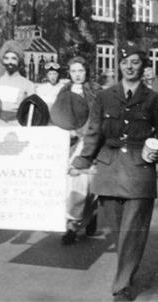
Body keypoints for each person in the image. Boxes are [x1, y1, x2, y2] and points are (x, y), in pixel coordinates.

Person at [71, 42, 158, 302]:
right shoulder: (105, 97)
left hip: (140, 170)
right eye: (125, 62)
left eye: (135, 62)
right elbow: (94, 131)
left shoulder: (153, 99)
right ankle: (126, 272)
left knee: (133, 231)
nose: (129, 66)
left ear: (143, 67)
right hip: (109, 169)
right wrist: (82, 161)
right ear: (119, 65)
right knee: (120, 233)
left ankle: (122, 287)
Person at [55, 56, 101, 245]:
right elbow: (58, 115)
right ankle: (72, 226)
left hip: (91, 140)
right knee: (74, 182)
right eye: (73, 71)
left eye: (80, 70)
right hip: (72, 142)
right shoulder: (64, 91)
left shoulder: (95, 91)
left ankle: (90, 216)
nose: (77, 75)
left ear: (86, 71)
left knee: (90, 183)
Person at [0, 40, 36, 125]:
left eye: (14, 59)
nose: (10, 62)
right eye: (6, 58)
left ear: (19, 61)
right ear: (3, 61)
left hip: (18, 125)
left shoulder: (28, 85)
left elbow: (31, 110)